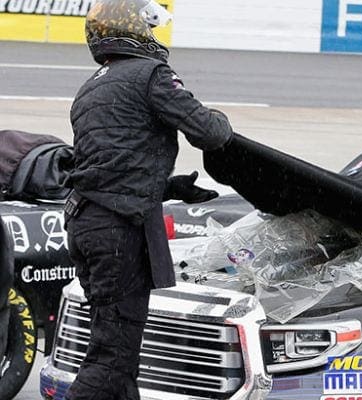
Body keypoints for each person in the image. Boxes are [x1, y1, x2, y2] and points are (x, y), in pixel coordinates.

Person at [65, 0, 233, 398]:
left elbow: (111, 161)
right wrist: (224, 121)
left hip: (85, 221)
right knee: (111, 362)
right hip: (115, 229)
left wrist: (170, 187)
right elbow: (210, 132)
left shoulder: (91, 87)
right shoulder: (151, 74)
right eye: (149, 28)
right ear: (132, 31)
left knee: (119, 364)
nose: (155, 37)